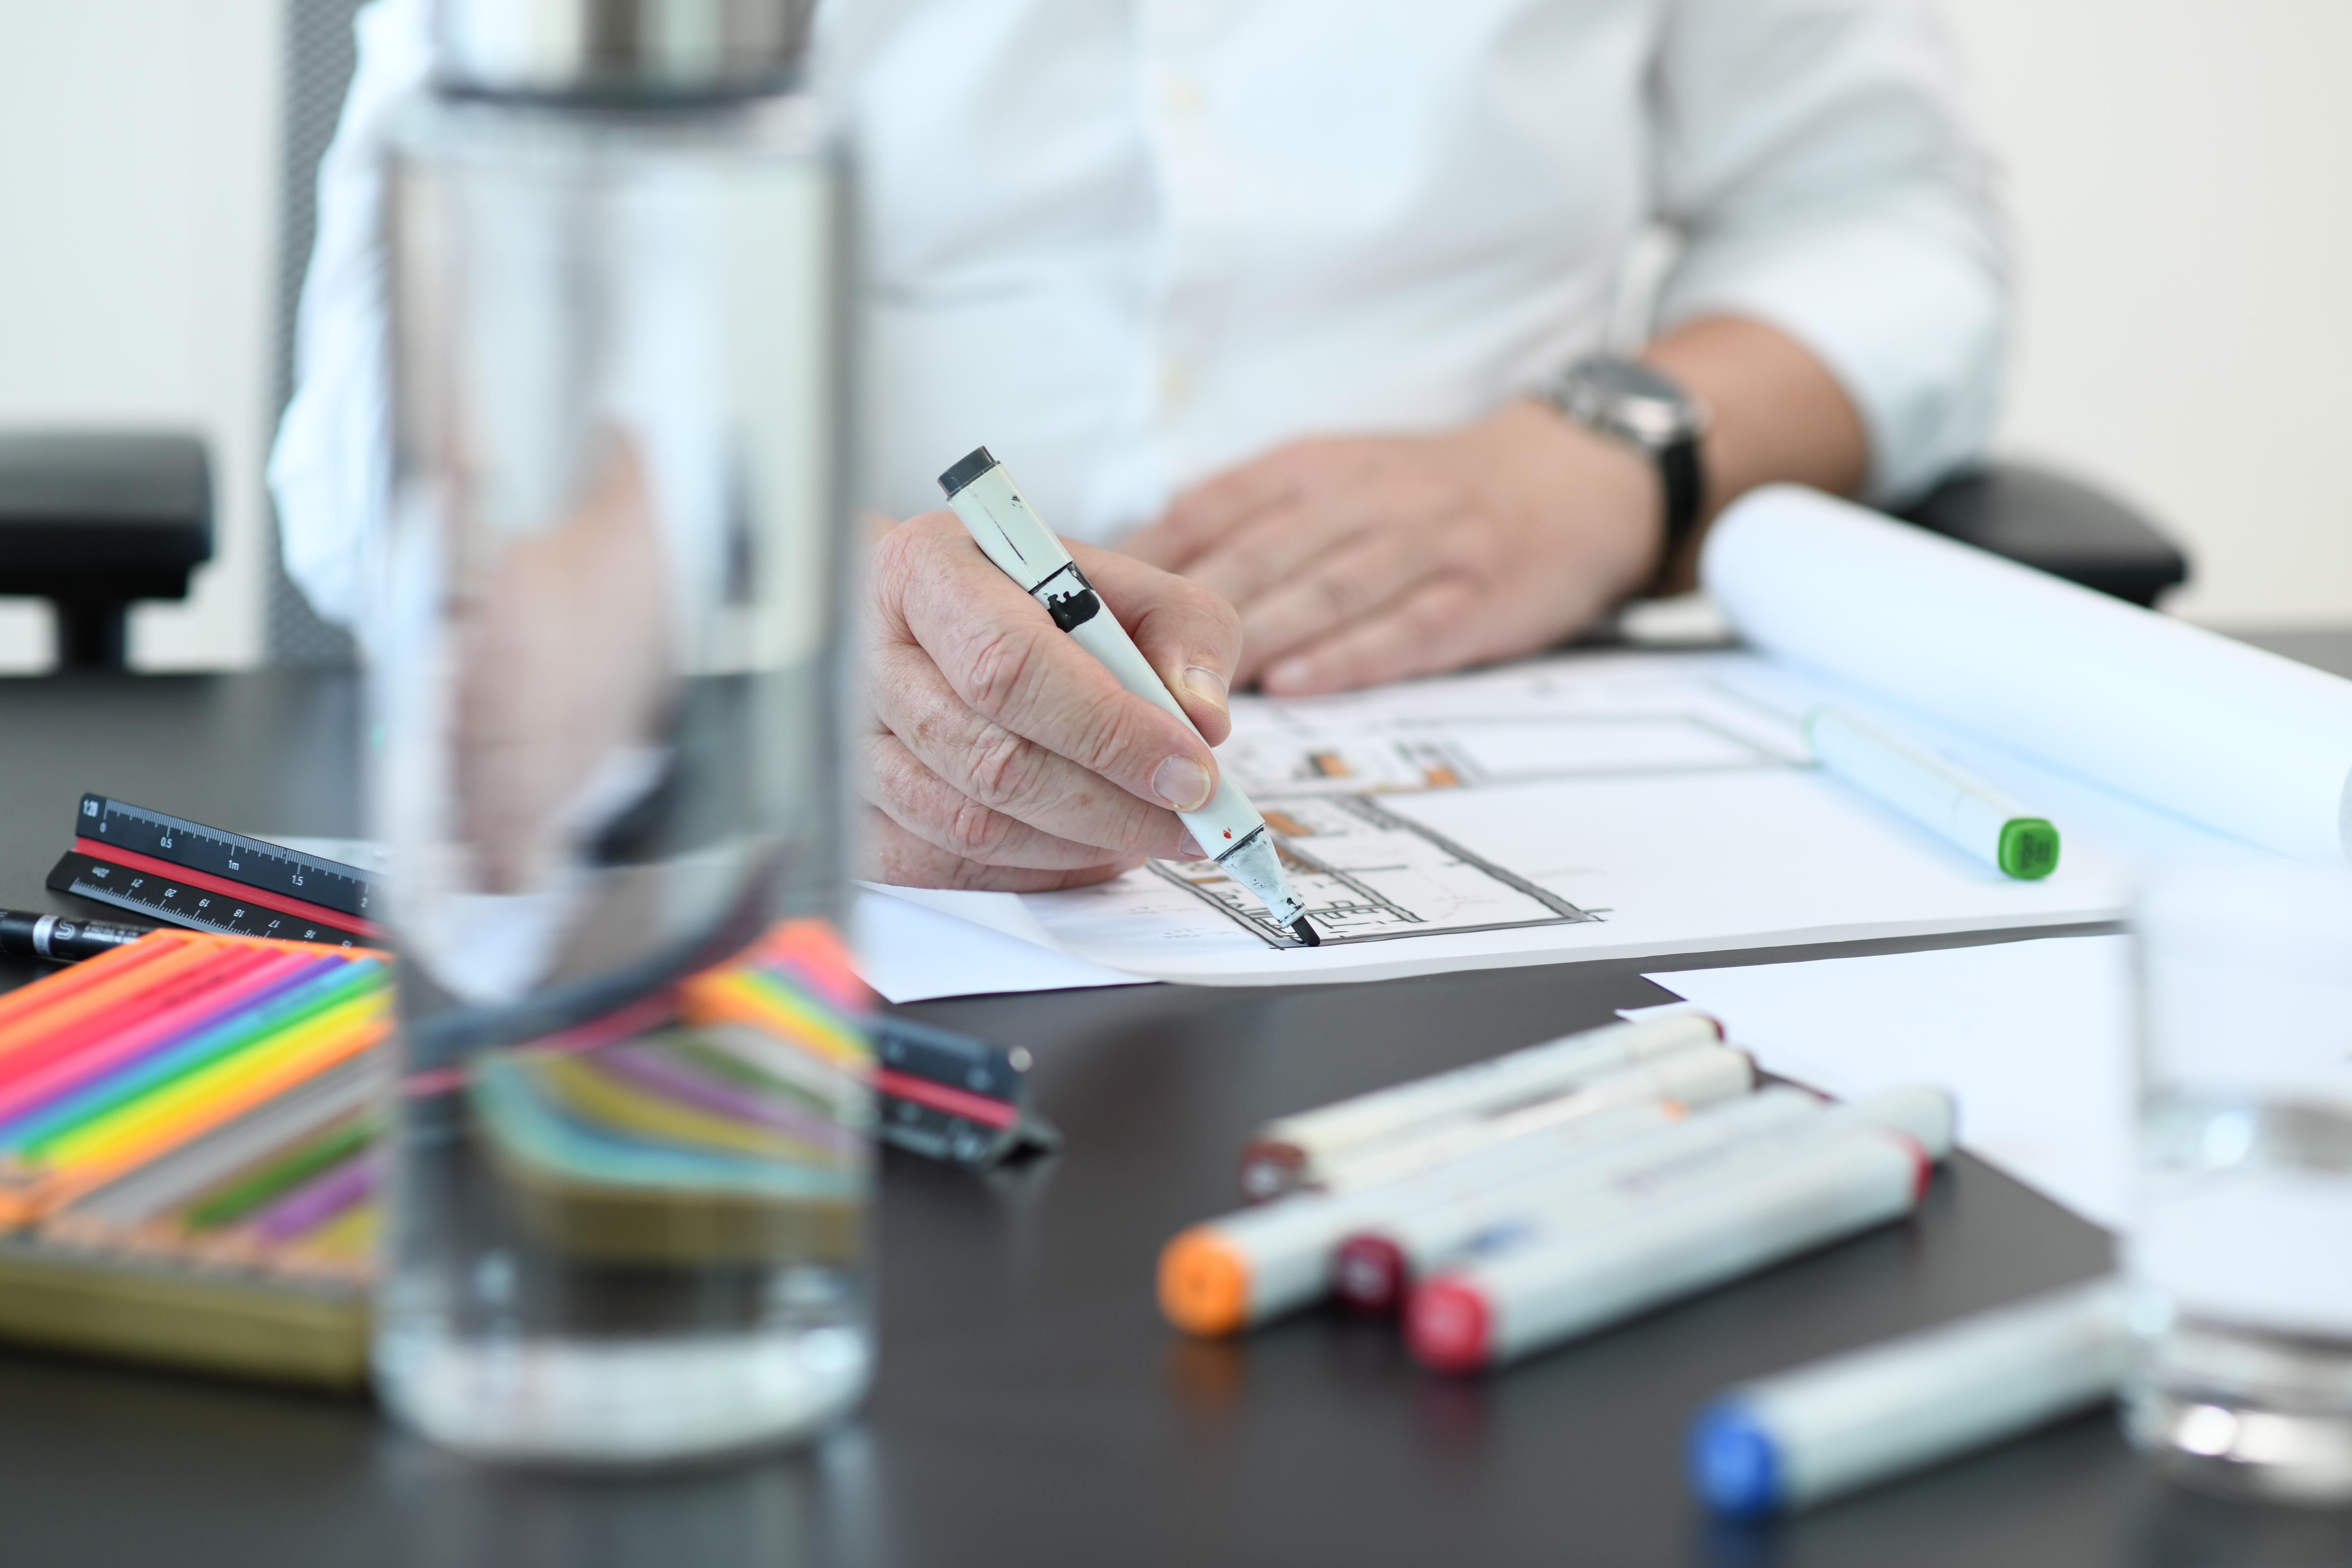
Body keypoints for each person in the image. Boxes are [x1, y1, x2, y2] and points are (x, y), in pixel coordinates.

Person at [273, 0, 2006, 897]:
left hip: (1497, 766)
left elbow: (1886, 219)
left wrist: (1603, 468)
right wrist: (808, 615)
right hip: (770, 833)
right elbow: (378, 444)